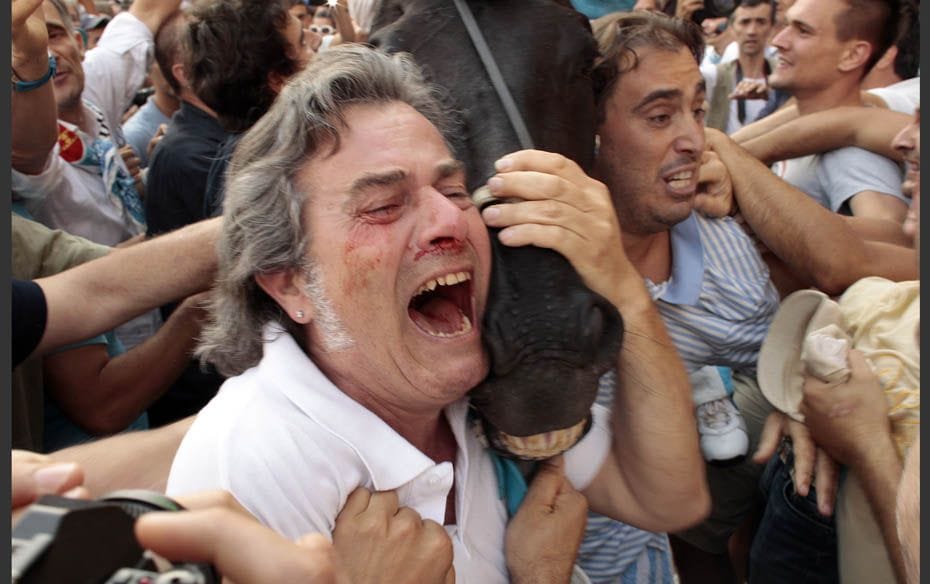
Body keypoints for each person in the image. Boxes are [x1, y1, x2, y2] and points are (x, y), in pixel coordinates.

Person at [168, 44, 709, 582]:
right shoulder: (251, 470)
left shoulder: (473, 382)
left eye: (454, 189)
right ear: (290, 284)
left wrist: (623, 287)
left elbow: (667, 499)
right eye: (383, 206)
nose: (449, 218)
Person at [587, 11, 780, 582]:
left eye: (698, 110)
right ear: (586, 129)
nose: (695, 141)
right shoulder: (542, 291)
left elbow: (783, 351)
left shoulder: (724, 243)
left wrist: (800, 400)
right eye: (660, 115)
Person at [764, 0, 907, 223]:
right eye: (786, 25)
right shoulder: (811, 129)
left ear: (852, 56)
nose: (778, 41)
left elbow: (890, 227)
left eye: (803, 31)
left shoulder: (848, 152)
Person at [702, 0, 780, 134]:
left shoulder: (783, 76)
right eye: (745, 22)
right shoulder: (714, 76)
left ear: (772, 27)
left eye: (760, 22)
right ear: (731, 27)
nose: (752, 31)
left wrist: (772, 95)